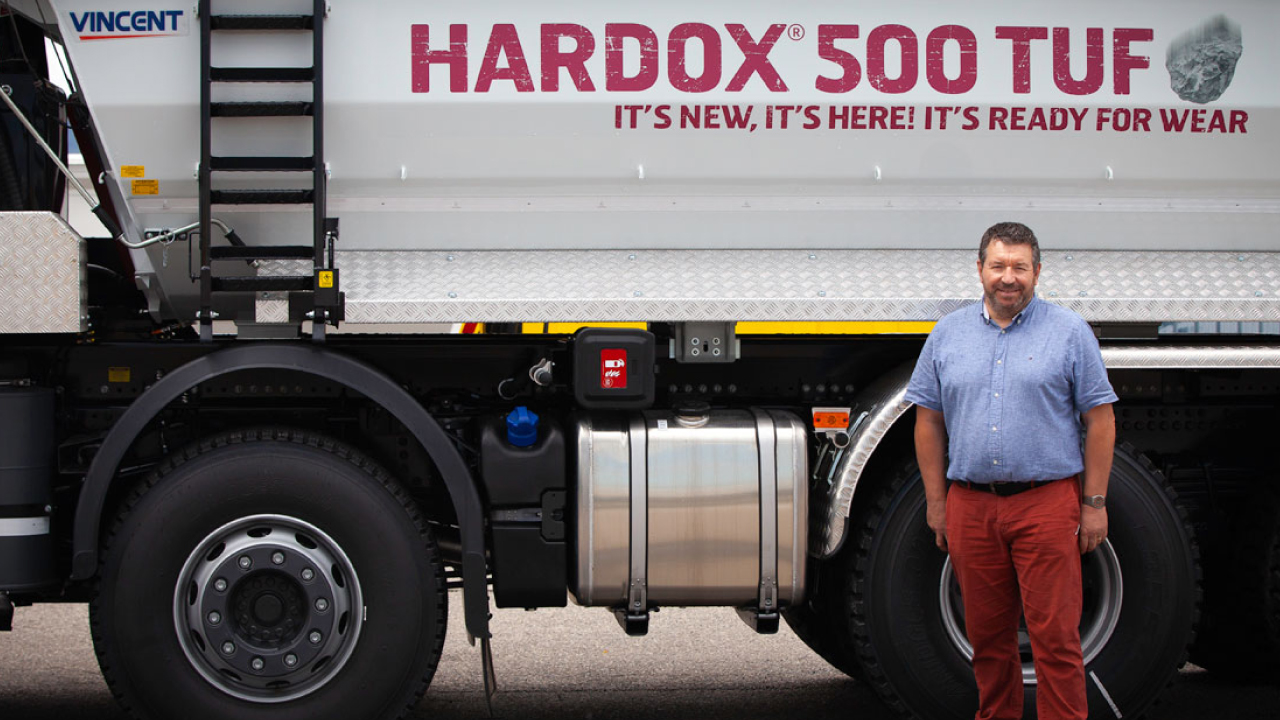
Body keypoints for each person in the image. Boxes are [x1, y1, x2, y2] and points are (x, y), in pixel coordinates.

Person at [904, 221, 1117, 720]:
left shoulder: (1068, 332)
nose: (1008, 277)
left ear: (1037, 272)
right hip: (971, 507)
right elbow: (928, 420)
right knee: (987, 640)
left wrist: (1094, 504)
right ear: (979, 269)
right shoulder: (947, 334)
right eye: (998, 265)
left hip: (1046, 504)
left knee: (1056, 640)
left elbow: (1101, 419)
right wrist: (938, 502)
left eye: (1020, 267)